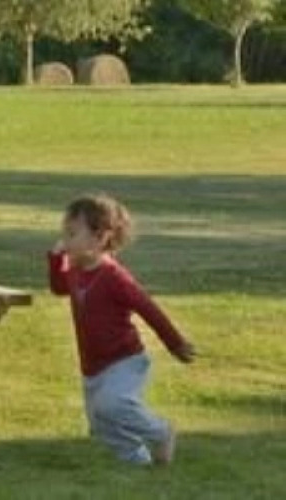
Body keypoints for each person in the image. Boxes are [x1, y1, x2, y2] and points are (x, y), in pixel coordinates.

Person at [48, 193, 195, 466]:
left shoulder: (114, 276)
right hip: (93, 365)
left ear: (100, 237)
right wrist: (56, 259)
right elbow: (59, 287)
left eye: (72, 234)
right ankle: (136, 460)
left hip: (124, 360)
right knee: (101, 422)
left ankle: (161, 432)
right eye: (64, 233)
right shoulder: (78, 270)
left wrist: (174, 343)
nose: (65, 241)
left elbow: (147, 308)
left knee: (112, 405)